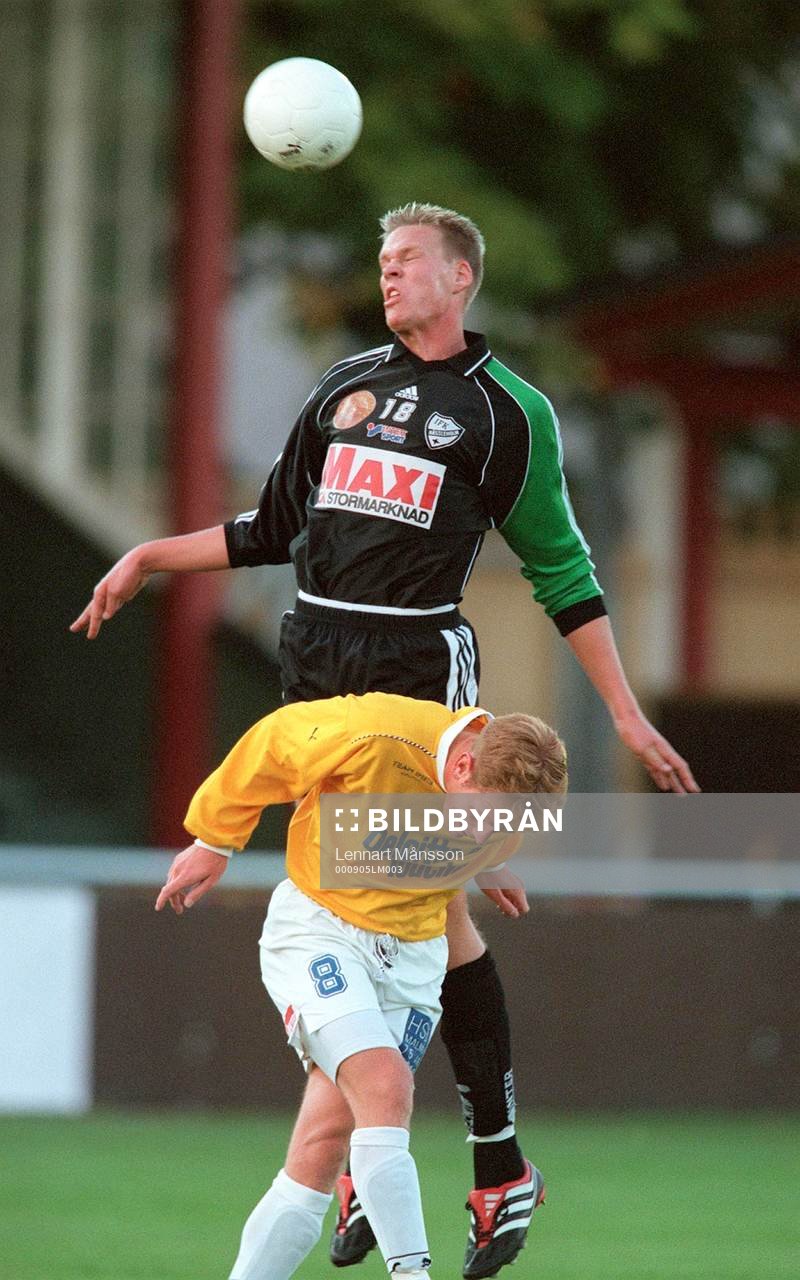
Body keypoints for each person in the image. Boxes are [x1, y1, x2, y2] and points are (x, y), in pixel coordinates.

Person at [73, 202, 698, 1278]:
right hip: (316, 651)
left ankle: (491, 1158)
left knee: (430, 909)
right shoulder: (344, 386)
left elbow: (561, 568)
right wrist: (148, 558)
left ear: (460, 278)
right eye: (383, 261)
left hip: (415, 666)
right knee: (359, 907)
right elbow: (273, 527)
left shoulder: (508, 413)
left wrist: (624, 711)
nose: (389, 275)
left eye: (408, 260)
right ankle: (395, 1146)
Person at [155, 691, 569, 1280]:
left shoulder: (508, 796)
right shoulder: (376, 733)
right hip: (322, 930)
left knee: (321, 1149)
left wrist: (488, 860)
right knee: (386, 1083)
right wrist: (214, 840)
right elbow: (272, 744)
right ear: (462, 765)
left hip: (413, 962)